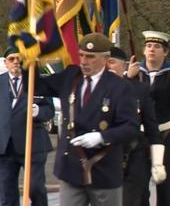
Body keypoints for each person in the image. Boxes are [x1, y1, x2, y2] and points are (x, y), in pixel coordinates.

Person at [28, 33, 140, 206]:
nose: (84, 61)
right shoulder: (71, 77)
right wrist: (31, 58)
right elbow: (35, 85)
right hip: (71, 168)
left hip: (104, 169)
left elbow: (131, 127)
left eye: (90, 57)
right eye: (81, 55)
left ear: (105, 59)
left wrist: (102, 137)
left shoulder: (119, 87)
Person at [127, 30, 170, 206]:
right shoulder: (135, 72)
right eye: (148, 46)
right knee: (138, 187)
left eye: (156, 47)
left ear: (165, 52)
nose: (152, 50)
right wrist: (128, 78)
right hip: (141, 136)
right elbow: (121, 95)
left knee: (167, 187)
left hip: (167, 134)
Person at [106, 47, 165, 206]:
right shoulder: (91, 89)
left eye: (111, 62)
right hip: (103, 158)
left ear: (124, 66)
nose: (107, 66)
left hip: (132, 157)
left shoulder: (138, 89)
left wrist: (157, 162)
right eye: (104, 62)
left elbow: (151, 127)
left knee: (134, 200)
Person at [0, 46, 54, 206]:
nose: (16, 62)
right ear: (6, 62)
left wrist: (38, 111)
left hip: (33, 145)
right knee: (6, 194)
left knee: (35, 188)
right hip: (6, 147)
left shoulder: (36, 80)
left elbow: (50, 111)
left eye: (20, 59)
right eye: (12, 59)